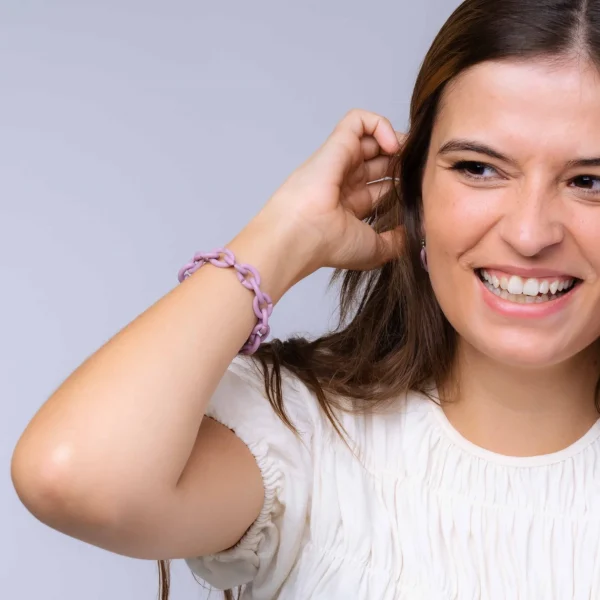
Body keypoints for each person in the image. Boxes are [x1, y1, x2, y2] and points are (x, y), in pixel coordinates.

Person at [11, 0, 600, 598]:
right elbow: (71, 475)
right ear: (416, 188)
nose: (530, 235)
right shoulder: (301, 437)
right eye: (478, 169)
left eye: (590, 182)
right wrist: (284, 234)